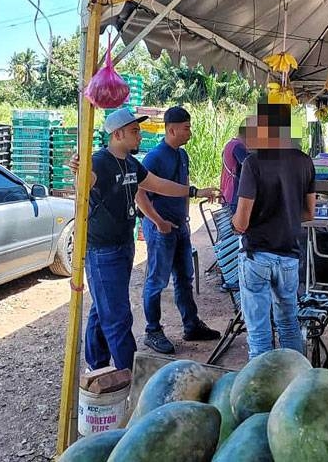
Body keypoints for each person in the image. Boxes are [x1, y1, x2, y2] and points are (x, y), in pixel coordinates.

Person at [71, 107, 218, 372]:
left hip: (124, 246)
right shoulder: (99, 162)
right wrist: (78, 170)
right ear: (117, 134)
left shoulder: (130, 163)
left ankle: (97, 365)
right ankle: (131, 377)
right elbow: (85, 181)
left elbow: (158, 185)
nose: (140, 136)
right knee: (118, 317)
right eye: (135, 131)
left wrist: (194, 191)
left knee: (102, 308)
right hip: (102, 251)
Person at [231, 104, 316, 359]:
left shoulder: (253, 163)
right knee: (289, 322)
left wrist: (236, 224)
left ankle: (261, 392)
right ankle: (295, 383)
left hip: (258, 255)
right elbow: (309, 213)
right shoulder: (304, 161)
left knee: (258, 331)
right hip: (289, 255)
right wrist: (285, 214)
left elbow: (242, 221)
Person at [135, 106, 221, 354]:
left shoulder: (182, 156)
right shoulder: (155, 157)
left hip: (180, 228)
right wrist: (158, 222)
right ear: (171, 129)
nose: (190, 132)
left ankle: (191, 324)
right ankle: (153, 331)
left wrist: (184, 218)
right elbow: (139, 194)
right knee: (157, 280)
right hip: (161, 230)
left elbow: (180, 187)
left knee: (185, 278)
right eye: (186, 128)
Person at [220, 125, 249, 214]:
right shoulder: (238, 146)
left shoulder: (230, 144)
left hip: (227, 195)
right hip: (234, 195)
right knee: (235, 226)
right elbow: (249, 166)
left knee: (228, 226)